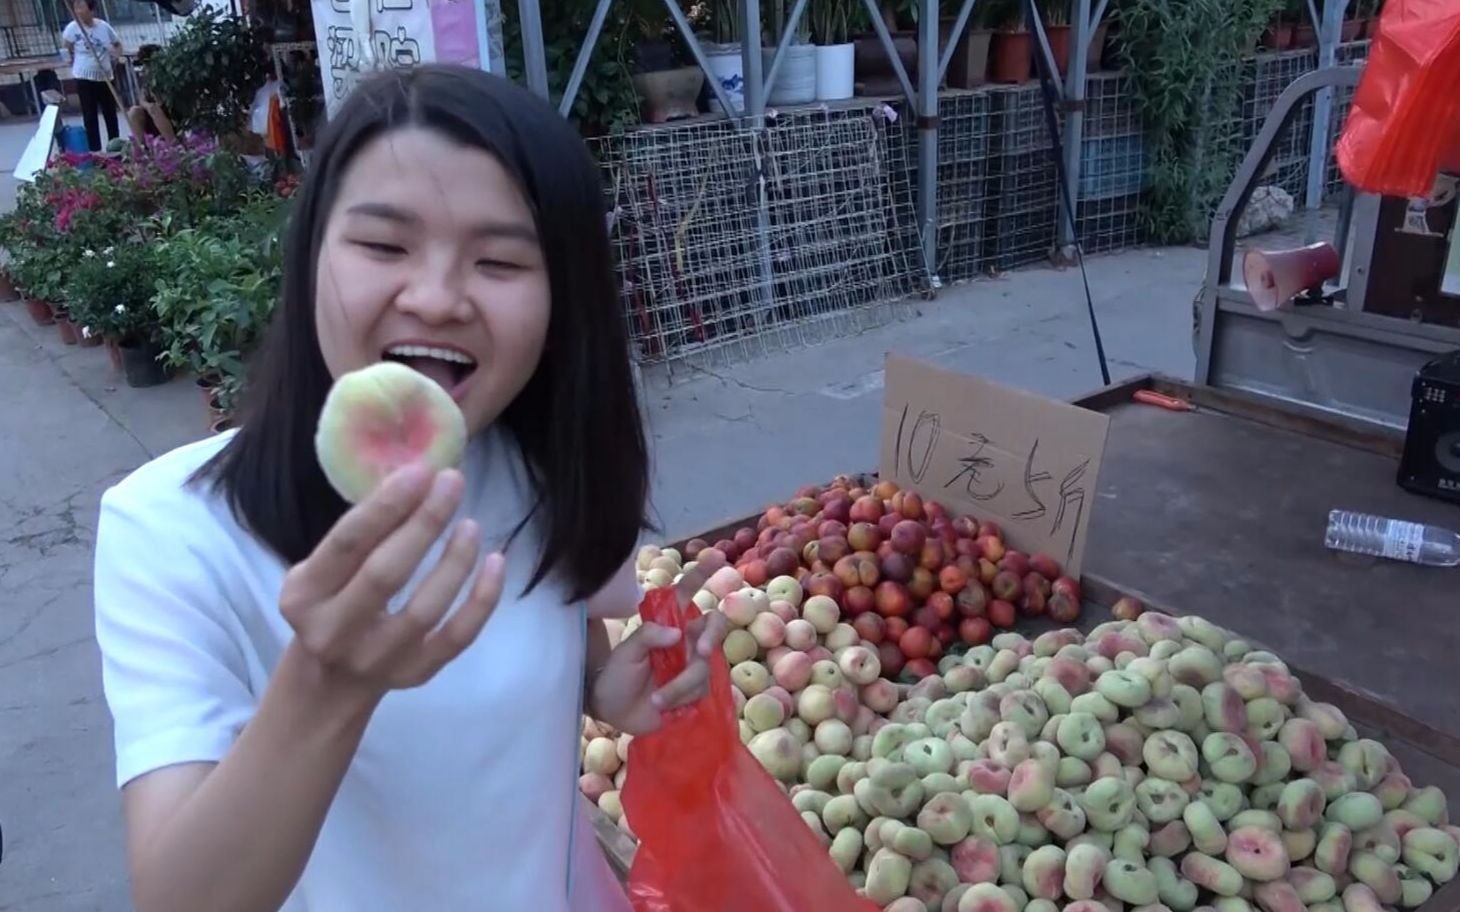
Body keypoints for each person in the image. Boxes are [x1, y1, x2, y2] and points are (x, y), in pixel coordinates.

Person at [91, 65, 729, 912]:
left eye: (499, 260)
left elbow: (542, 649)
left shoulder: (542, 471)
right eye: (384, 247)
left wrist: (594, 690)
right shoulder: (168, 532)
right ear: (311, 258)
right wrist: (327, 684)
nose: (434, 299)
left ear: (559, 307)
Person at [61, 0, 123, 152]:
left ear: (91, 10)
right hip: (84, 77)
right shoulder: (72, 28)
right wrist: (68, 60)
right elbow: (65, 48)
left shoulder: (103, 27)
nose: (78, 11)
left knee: (110, 114)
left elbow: (117, 44)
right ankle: (95, 151)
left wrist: (116, 56)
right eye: (76, 8)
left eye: (81, 7)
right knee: (90, 116)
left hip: (106, 76)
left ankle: (115, 149)